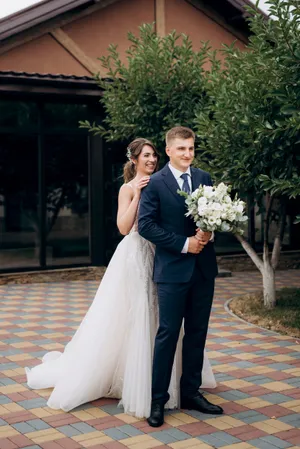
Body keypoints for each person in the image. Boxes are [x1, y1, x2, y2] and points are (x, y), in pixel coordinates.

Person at [25, 137, 216, 418]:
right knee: (145, 322)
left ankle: (186, 388)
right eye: (146, 156)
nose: (151, 160)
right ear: (135, 159)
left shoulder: (184, 180)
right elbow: (126, 228)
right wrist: (137, 194)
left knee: (169, 326)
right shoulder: (133, 188)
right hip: (140, 256)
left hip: (168, 258)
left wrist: (206, 231)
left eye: (153, 156)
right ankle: (152, 393)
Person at [139, 127, 223, 427]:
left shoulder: (204, 178)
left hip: (203, 270)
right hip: (172, 271)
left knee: (198, 332)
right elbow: (146, 225)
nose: (188, 154)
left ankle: (190, 392)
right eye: (182, 149)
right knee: (168, 334)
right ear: (169, 150)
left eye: (191, 148)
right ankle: (158, 400)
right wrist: (185, 243)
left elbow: (213, 215)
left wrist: (209, 232)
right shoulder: (155, 183)